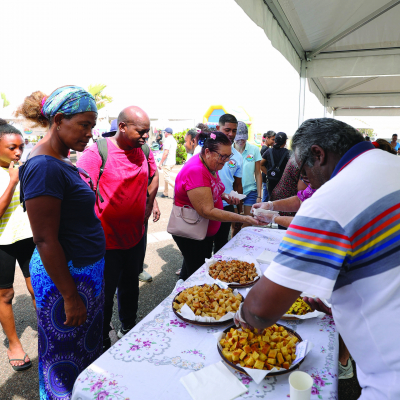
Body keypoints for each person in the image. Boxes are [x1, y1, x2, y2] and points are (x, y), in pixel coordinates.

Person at [237, 118, 400, 399]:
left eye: (302, 171)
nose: (305, 181)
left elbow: (260, 311)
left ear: (318, 154)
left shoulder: (328, 201)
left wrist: (241, 315)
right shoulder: (391, 165)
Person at [17, 86, 106, 399]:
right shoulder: (43, 167)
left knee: (82, 353)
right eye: (84, 124)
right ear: (57, 120)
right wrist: (69, 295)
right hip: (66, 279)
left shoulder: (61, 159)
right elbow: (44, 238)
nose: (89, 133)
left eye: (92, 126)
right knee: (63, 363)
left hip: (82, 273)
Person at [77, 106, 155, 350]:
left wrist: (148, 204)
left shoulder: (143, 150)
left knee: (131, 287)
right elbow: (79, 194)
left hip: (135, 237)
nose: (145, 136)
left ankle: (128, 327)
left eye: (148, 132)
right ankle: (101, 340)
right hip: (105, 242)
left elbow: (154, 177)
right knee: (104, 294)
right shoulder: (97, 152)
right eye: (141, 131)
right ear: (122, 127)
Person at [172, 131, 260, 280]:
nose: (226, 161)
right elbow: (207, 211)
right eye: (223, 156)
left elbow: (214, 188)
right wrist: (243, 218)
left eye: (229, 156)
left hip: (202, 231)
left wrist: (225, 196)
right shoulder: (197, 170)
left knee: (193, 269)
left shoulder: (210, 166)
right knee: (197, 275)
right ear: (208, 152)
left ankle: (182, 289)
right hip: (192, 233)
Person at [0, 120, 36, 372]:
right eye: (13, 147)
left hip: (27, 237)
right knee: (5, 294)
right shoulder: (12, 174)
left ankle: (48, 332)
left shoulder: (23, 168)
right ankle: (14, 343)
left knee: (38, 287)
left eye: (21, 147)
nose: (18, 152)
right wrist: (12, 181)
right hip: (1, 242)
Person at [213, 114, 243, 252]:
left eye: (234, 130)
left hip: (226, 206)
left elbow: (237, 184)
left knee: (221, 244)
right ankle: (190, 270)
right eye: (227, 130)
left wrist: (239, 212)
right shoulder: (206, 150)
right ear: (218, 128)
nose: (231, 134)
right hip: (206, 203)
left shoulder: (238, 156)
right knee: (201, 243)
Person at [233, 122, 262, 224]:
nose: (241, 141)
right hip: (233, 193)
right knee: (235, 225)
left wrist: (259, 195)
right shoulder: (228, 151)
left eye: (243, 138)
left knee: (248, 223)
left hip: (250, 191)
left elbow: (258, 173)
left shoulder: (254, 149)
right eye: (238, 138)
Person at [261, 131, 290, 198]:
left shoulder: (269, 151)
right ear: (285, 142)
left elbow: (261, 164)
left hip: (271, 181)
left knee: (271, 200)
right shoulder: (288, 153)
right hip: (283, 182)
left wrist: (268, 173)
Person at [158, 127, 177, 198]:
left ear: (166, 133)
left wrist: (160, 163)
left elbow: (165, 152)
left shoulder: (167, 140)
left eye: (164, 132)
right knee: (167, 177)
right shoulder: (173, 140)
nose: (164, 134)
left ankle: (177, 188)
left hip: (168, 161)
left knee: (166, 178)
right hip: (172, 161)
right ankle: (165, 193)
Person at [260, 131, 276, 202]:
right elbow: (261, 165)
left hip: (266, 177)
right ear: (267, 138)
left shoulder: (266, 149)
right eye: (272, 139)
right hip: (266, 177)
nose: (274, 141)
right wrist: (268, 174)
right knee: (265, 198)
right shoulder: (265, 150)